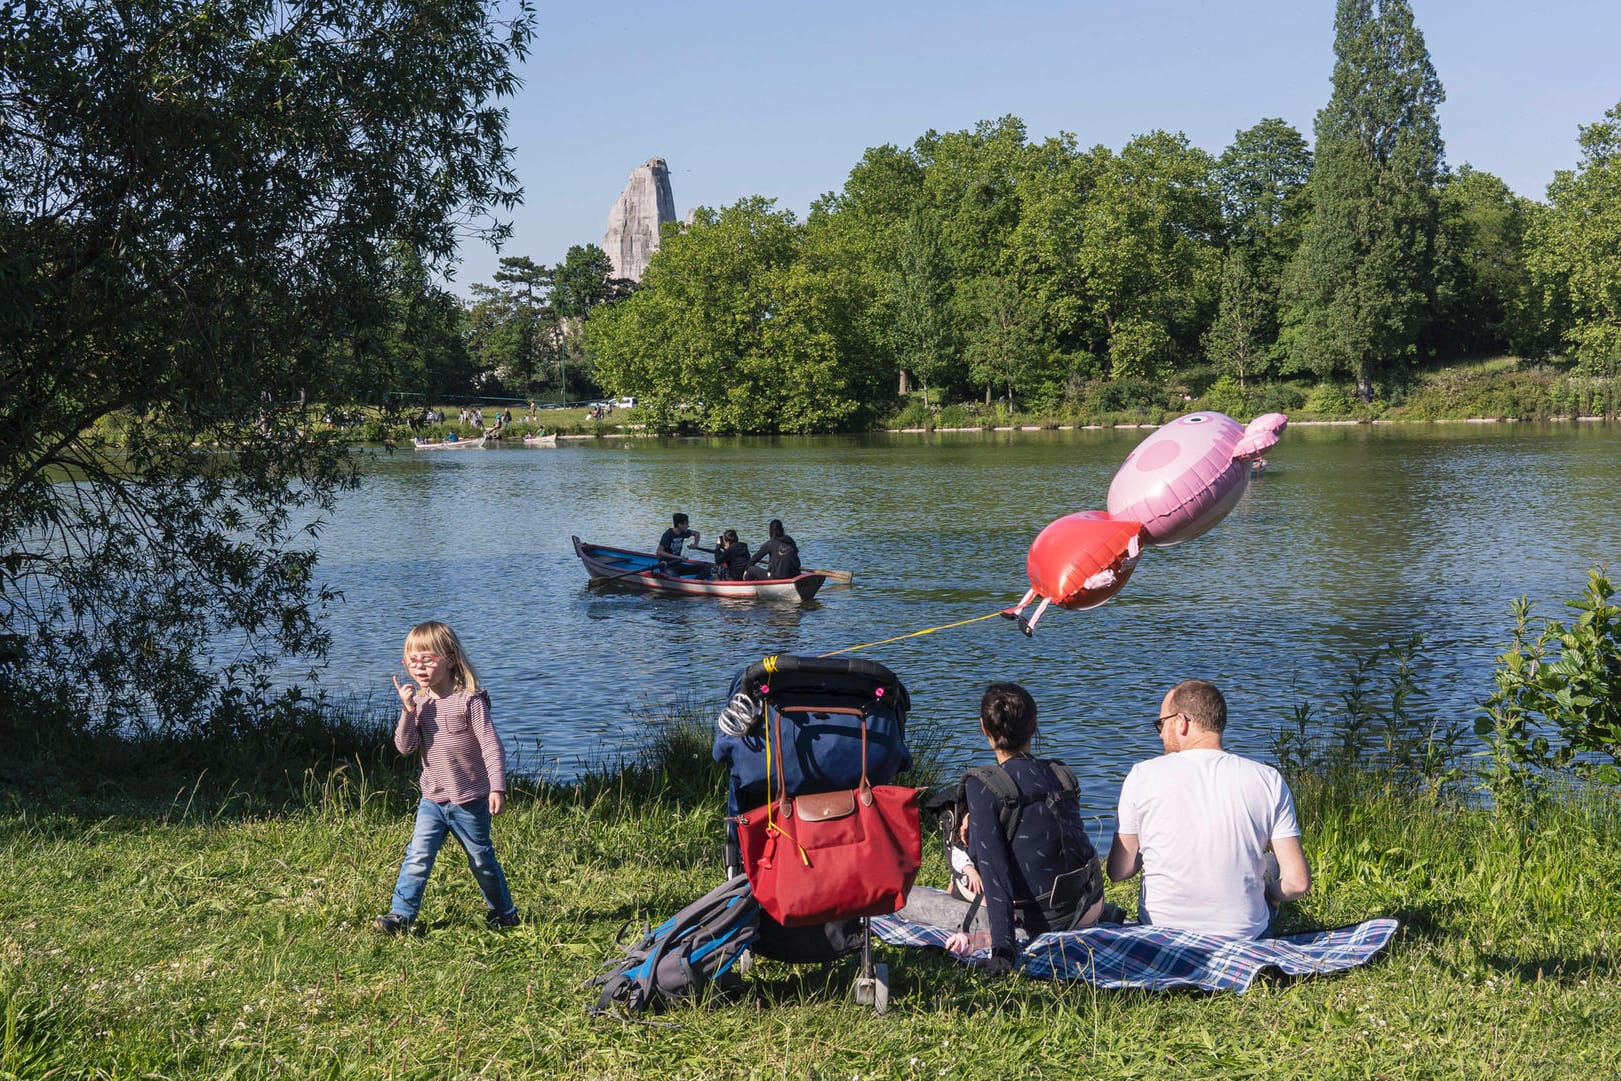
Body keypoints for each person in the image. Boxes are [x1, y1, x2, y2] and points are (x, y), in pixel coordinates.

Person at [896, 682, 1105, 973]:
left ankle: (1003, 932)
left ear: (984, 728)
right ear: (1034, 726)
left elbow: (997, 877)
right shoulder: (1061, 773)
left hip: (1035, 921)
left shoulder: (984, 786)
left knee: (904, 899)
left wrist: (1003, 953)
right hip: (1088, 907)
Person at [1106, 679, 1311, 938]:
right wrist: (1269, 893)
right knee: (1270, 864)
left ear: (1181, 722)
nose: (1159, 733)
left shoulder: (1142, 775)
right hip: (1244, 935)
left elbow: (1118, 871)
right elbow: (1297, 882)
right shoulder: (1267, 778)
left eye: (1161, 723)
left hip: (1160, 933)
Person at [374, 621, 520, 935]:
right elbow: (405, 747)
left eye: (426, 659)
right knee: (418, 855)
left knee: (481, 860)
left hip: (470, 800)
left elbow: (491, 745)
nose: (419, 667)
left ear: (449, 658)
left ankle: (505, 912)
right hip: (433, 799)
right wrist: (407, 710)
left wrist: (497, 787)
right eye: (412, 661)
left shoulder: (470, 700)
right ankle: (401, 915)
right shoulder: (420, 704)